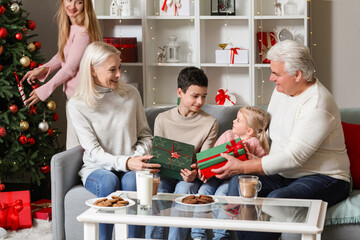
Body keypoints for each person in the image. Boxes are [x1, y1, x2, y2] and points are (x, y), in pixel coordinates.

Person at [213, 40, 351, 240]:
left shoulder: (317, 105)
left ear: (298, 75)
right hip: (284, 173)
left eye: (276, 74)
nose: (271, 78)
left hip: (325, 177)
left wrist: (244, 166)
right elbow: (268, 133)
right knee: (240, 183)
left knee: (276, 199)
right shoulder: (282, 91)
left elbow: (293, 157)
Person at [67, 41, 161, 240]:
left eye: (119, 68)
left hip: (131, 165)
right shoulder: (77, 104)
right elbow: (92, 152)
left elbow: (145, 136)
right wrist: (126, 162)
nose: (119, 74)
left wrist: (135, 160)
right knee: (108, 180)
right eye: (112, 70)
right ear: (93, 70)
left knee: (134, 180)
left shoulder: (131, 94)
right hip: (97, 168)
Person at [146, 67, 219, 240]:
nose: (200, 101)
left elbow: (204, 162)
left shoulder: (210, 123)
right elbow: (159, 154)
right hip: (165, 174)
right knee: (158, 189)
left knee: (183, 188)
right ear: (180, 92)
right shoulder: (162, 119)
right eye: (195, 96)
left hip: (188, 178)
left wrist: (195, 172)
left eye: (204, 96)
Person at [21, 0, 102, 150]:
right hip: (76, 97)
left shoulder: (83, 33)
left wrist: (45, 90)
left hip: (83, 99)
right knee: (76, 147)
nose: (72, 6)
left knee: (76, 147)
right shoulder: (72, 28)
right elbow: (63, 56)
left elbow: (70, 68)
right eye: (69, 0)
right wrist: (45, 68)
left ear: (86, 5)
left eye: (79, 2)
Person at [192, 106, 270, 240]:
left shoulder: (255, 142)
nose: (234, 121)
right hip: (215, 176)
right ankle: (198, 234)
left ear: (249, 130)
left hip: (231, 180)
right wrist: (202, 170)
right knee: (202, 193)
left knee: (221, 196)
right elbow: (212, 155)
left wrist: (249, 156)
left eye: (238, 120)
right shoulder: (228, 134)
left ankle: (220, 236)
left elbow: (265, 164)